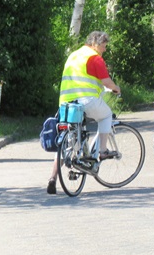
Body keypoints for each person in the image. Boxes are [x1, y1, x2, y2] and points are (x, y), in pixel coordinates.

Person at [47, 31, 121, 195]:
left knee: (65, 139)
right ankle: (102, 150)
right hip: (85, 101)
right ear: (95, 43)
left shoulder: (74, 55)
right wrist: (116, 88)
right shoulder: (94, 57)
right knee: (106, 115)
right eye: (104, 46)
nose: (104, 50)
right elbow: (106, 82)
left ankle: (53, 178)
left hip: (66, 103)